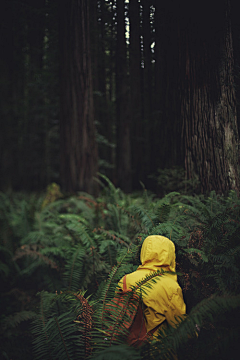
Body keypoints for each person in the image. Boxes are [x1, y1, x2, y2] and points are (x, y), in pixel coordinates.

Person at [117, 235, 186, 337]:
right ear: (170, 256)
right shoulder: (170, 286)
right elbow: (181, 326)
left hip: (125, 346)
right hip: (155, 348)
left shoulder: (125, 280)